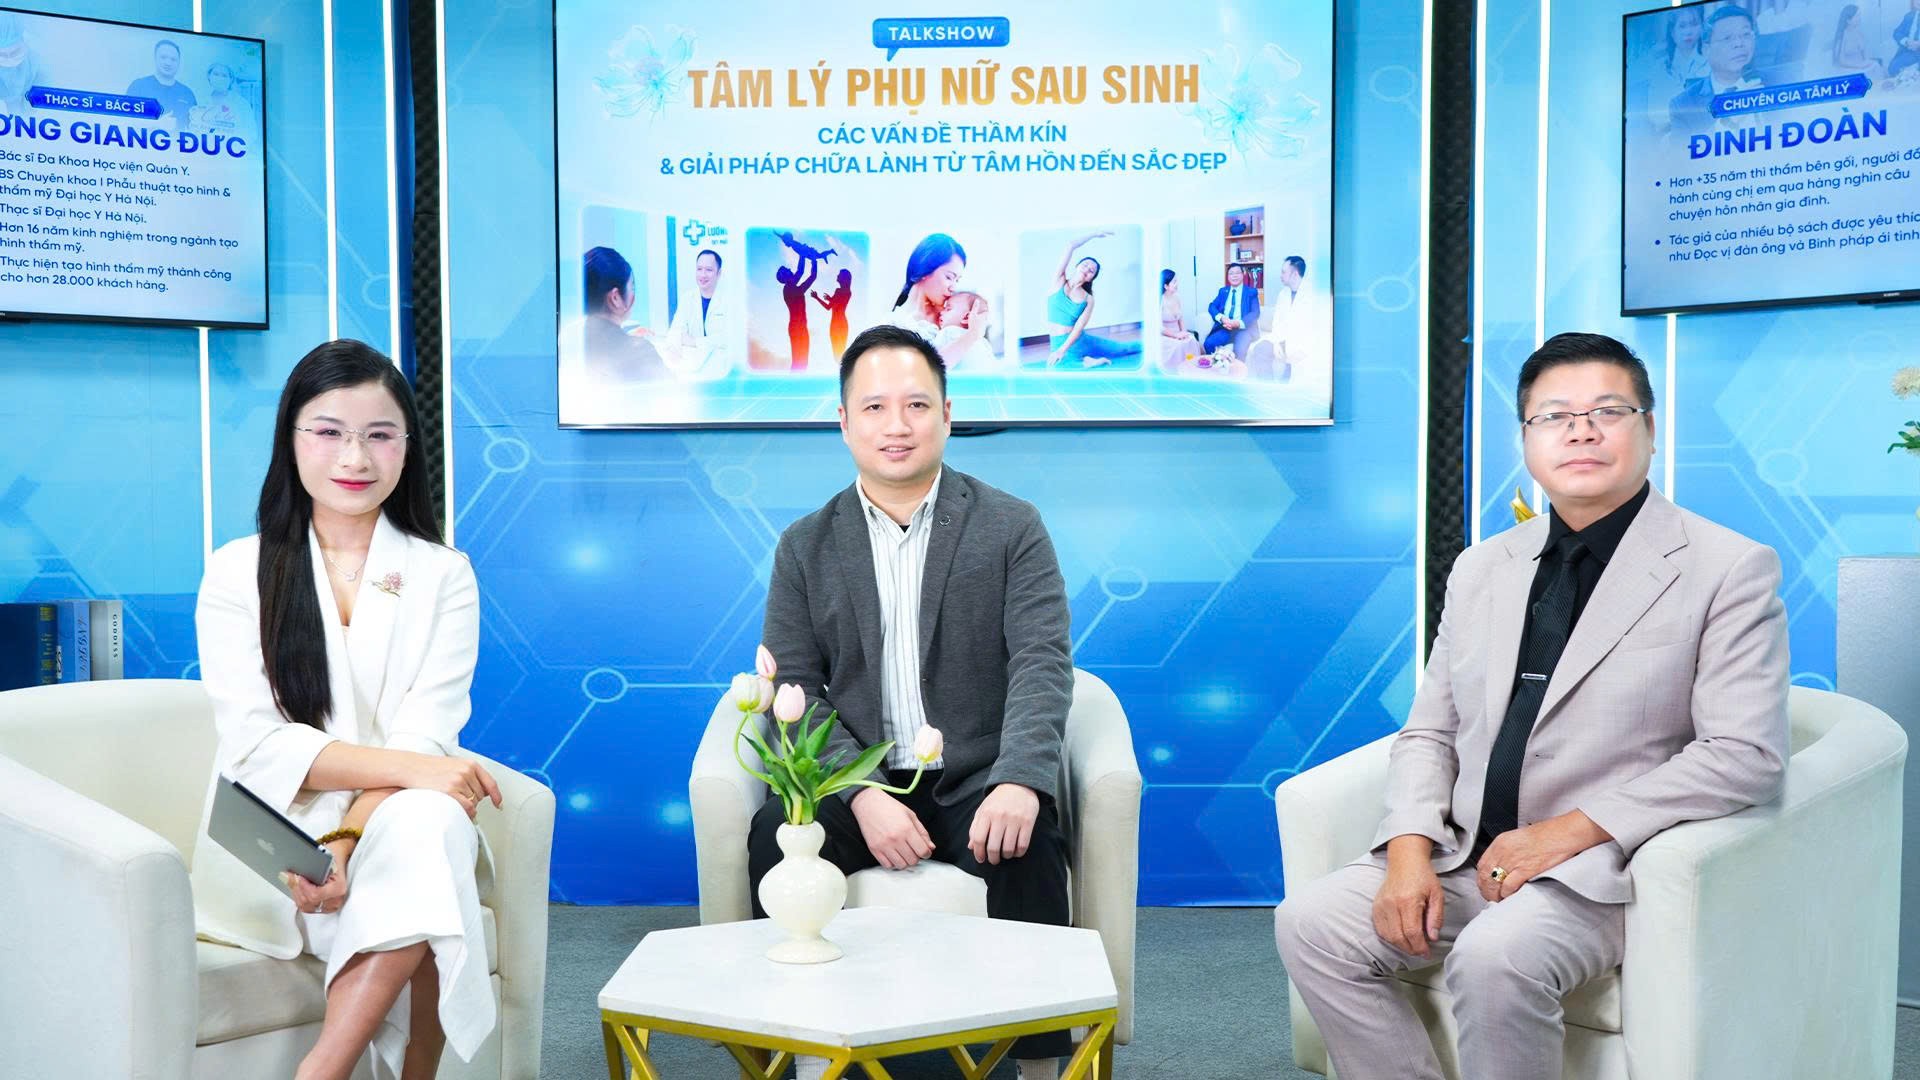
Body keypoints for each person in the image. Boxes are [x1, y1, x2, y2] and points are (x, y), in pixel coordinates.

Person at [1274, 332, 1789, 1080]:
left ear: (1649, 429)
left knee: (1495, 956)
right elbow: (1431, 730)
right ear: (1526, 440)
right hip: (1465, 856)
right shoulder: (1484, 566)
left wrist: (1564, 833)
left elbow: (1744, 755)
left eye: (1607, 411)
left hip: (1599, 869)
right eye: (1554, 416)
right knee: (1310, 924)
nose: (1581, 431)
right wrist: (1410, 852)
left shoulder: (1727, 567)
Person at [752, 324, 1076, 1080]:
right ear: (844, 422)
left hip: (974, 775)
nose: (895, 426)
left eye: (916, 405)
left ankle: (1039, 1064)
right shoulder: (805, 544)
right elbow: (793, 688)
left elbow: (1042, 660)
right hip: (854, 782)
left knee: (1026, 841)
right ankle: (793, 1046)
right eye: (874, 407)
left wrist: (1020, 779)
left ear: (947, 414)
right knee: (777, 835)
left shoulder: (1011, 526)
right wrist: (861, 793)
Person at [193, 340, 506, 1080]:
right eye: (330, 432)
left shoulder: (443, 574)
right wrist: (417, 772)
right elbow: (257, 745)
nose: (356, 458)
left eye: (380, 435)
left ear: (408, 447)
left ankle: (322, 1070)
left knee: (426, 824)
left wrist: (343, 841)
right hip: (272, 825)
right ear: (292, 439)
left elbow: (426, 731)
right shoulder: (238, 570)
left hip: (390, 814)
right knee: (433, 831)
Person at [1042, 230, 1141, 368]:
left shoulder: (1088, 299)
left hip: (1077, 341)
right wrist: (1094, 234)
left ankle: (1153, 341)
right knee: (1057, 368)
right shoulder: (1058, 281)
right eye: (1086, 265)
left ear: (1091, 278)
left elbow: (1078, 329)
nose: (1087, 269)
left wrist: (1062, 350)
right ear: (1077, 266)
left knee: (1124, 349)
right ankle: (1088, 361)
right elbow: (1070, 245)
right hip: (1057, 342)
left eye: (1091, 271)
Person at [890, 232, 991, 367]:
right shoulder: (895, 325)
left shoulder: (956, 314)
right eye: (949, 277)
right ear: (925, 269)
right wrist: (972, 335)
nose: (953, 287)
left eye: (957, 280)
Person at [576, 246, 669, 386]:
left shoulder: (569, 342)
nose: (633, 294)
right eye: (632, 287)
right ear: (615, 298)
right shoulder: (640, 353)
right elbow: (676, 393)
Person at [1667, 7, 1763, 139]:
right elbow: (1681, 151)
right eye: (1727, 38)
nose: (1739, 43)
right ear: (1706, 49)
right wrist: (1729, 120)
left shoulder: (1782, 80)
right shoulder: (1683, 105)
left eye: (1746, 34)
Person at [660, 247, 732, 377]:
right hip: (692, 367)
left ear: (719, 273)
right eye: (699, 269)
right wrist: (673, 348)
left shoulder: (729, 301)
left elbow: (727, 339)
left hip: (720, 370)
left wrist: (694, 341)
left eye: (709, 270)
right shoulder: (687, 298)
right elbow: (676, 330)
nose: (703, 275)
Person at [126, 38, 197, 132]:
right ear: (155, 58)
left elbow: (194, 127)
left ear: (179, 62)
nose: (168, 63)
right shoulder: (138, 86)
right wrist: (157, 124)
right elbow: (126, 121)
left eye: (173, 59)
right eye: (163, 57)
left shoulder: (187, 93)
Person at [776, 245, 822, 371]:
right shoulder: (789, 289)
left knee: (802, 363)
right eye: (787, 270)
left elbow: (809, 275)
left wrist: (811, 259)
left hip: (800, 327)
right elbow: (802, 272)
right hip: (797, 328)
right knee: (799, 363)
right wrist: (805, 255)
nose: (790, 270)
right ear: (785, 277)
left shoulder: (793, 288)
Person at [1203, 263, 1261, 359]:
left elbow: (1255, 313)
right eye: (1231, 273)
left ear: (1243, 274)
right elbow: (1212, 306)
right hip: (1225, 328)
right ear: (1228, 277)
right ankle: (1219, 365)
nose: (1234, 276)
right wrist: (1221, 318)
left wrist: (1238, 323)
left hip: (1243, 329)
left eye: (1237, 273)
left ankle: (1237, 368)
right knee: (1208, 344)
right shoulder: (1223, 291)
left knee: (1240, 350)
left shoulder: (1251, 292)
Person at [191, 61, 256, 140]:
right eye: (216, 74)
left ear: (230, 79)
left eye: (224, 76)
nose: (220, 78)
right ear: (209, 76)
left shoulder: (241, 103)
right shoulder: (200, 100)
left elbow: (251, 133)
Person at [0, 13, 43, 117]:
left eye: (15, 52)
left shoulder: (36, 64)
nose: (9, 59)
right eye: (3, 54)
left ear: (24, 44)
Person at [1157, 269, 1199, 371]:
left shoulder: (1177, 297)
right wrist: (1176, 335)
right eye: (1174, 282)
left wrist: (1184, 332)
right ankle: (1177, 371)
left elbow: (1180, 319)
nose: (1177, 284)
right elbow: (1159, 327)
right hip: (1165, 336)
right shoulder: (1159, 301)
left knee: (1192, 340)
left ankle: (1191, 369)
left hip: (1178, 333)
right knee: (1178, 346)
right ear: (1166, 286)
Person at [811, 267, 855, 358]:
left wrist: (818, 298)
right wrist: (829, 299)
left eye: (839, 275)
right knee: (839, 352)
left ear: (843, 278)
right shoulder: (846, 292)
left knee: (837, 353)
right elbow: (836, 304)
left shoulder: (840, 291)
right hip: (840, 323)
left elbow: (830, 307)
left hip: (837, 324)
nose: (837, 275)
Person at [1832, 4, 1885, 79]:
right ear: (1848, 20)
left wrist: (1867, 62)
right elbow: (1841, 61)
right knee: (1870, 71)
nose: (1859, 18)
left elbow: (1864, 54)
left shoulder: (1859, 33)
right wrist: (1859, 65)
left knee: (1877, 66)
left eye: (1859, 15)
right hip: (1848, 68)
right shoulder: (1842, 35)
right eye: (1857, 16)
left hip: (1861, 65)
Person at [1893, 0, 1920, 78]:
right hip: (1909, 52)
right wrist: (1907, 42)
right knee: (1893, 68)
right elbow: (1897, 33)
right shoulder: (1909, 16)